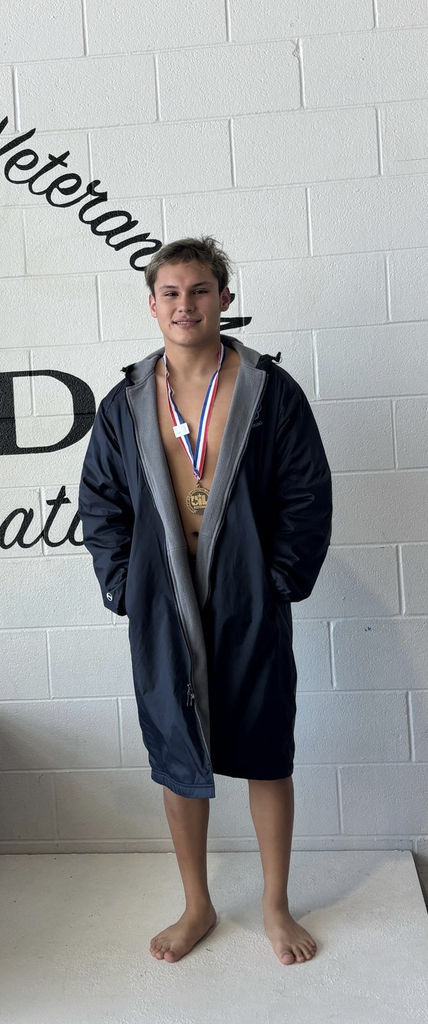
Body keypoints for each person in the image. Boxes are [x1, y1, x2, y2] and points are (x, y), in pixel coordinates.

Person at [78, 235, 333, 966]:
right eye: (171, 292)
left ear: (225, 298)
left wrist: (281, 579)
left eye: (199, 290)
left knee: (265, 749)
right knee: (173, 748)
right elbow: (101, 502)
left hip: (248, 592)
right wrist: (125, 583)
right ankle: (197, 904)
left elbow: (305, 492)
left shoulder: (266, 389)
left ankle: (276, 906)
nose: (185, 304)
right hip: (163, 596)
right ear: (152, 304)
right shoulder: (126, 401)